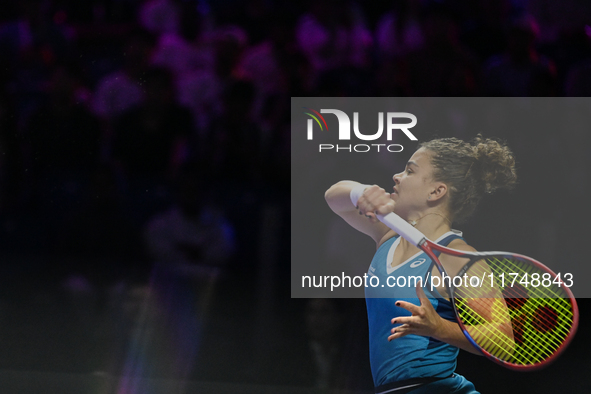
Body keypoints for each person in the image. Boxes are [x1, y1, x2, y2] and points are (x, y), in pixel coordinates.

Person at [324, 136, 517, 393]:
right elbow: (333, 198)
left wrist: (440, 328)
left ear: (437, 191)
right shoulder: (389, 234)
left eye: (410, 170)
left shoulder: (457, 258)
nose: (396, 175)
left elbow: (504, 340)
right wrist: (360, 192)